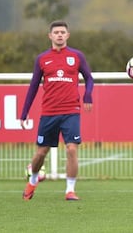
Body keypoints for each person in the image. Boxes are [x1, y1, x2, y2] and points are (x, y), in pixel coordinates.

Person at [21, 20, 94, 201]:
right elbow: (33, 87)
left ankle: (70, 190)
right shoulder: (42, 58)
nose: (59, 35)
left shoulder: (77, 56)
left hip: (71, 111)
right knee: (41, 153)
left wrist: (88, 95)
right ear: (50, 36)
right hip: (49, 112)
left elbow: (89, 78)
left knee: (71, 149)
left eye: (62, 32)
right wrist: (24, 112)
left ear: (67, 35)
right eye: (56, 32)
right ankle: (33, 180)